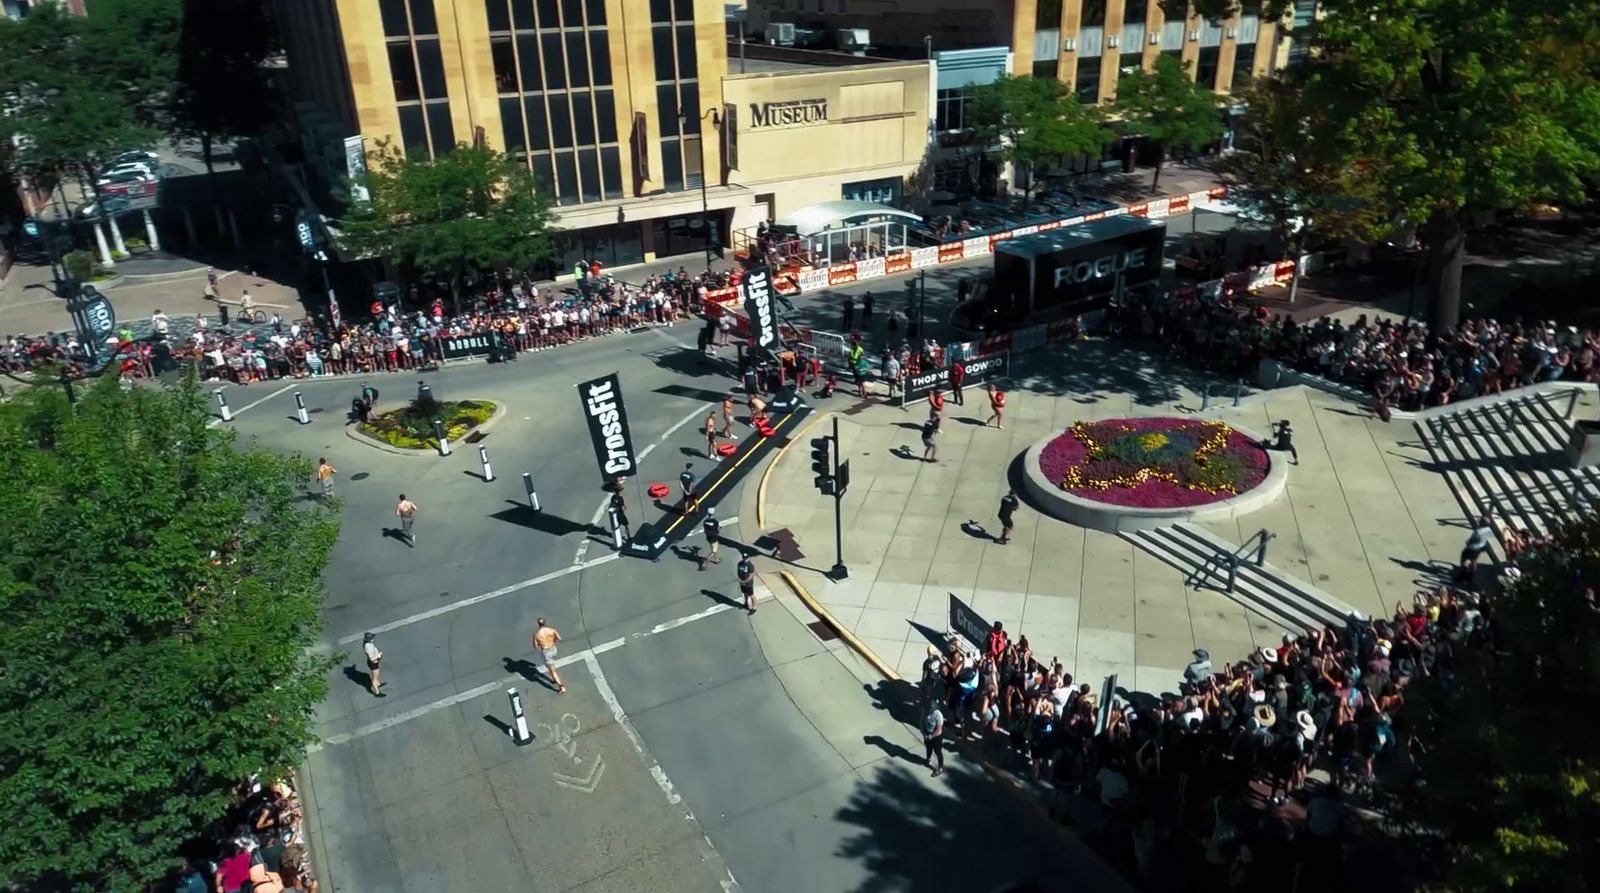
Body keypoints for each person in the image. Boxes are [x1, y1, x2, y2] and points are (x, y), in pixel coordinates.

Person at [533, 618, 566, 694]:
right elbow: (559, 638)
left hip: (546, 652)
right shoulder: (551, 630)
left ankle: (561, 687)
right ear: (545, 623)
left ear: (538, 624)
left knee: (552, 670)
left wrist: (541, 643)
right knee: (551, 667)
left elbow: (535, 646)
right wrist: (553, 640)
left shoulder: (536, 634)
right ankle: (554, 679)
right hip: (553, 649)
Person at [922, 700, 945, 777]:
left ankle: (940, 768)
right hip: (927, 733)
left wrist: (931, 736)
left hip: (936, 736)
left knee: (938, 751)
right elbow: (921, 723)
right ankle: (928, 759)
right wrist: (924, 734)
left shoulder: (938, 715)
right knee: (928, 748)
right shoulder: (925, 711)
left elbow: (939, 730)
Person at [362, 632, 384, 697]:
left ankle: (378, 683)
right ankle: (377, 692)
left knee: (376, 675)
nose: (373, 638)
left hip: (373, 663)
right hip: (373, 664)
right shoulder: (368, 647)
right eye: (371, 638)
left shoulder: (367, 644)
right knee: (374, 678)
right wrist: (378, 655)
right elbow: (372, 658)